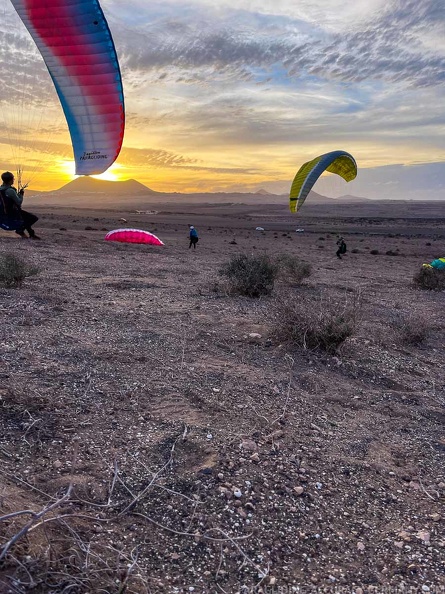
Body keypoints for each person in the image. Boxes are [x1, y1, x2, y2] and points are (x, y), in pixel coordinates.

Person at [0, 172, 40, 239]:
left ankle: (31, 234)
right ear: (10, 180)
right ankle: (20, 230)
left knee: (26, 218)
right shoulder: (10, 191)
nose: (14, 180)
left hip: (4, 212)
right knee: (33, 218)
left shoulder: (1, 189)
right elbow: (19, 202)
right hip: (13, 212)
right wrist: (21, 194)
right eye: (13, 179)